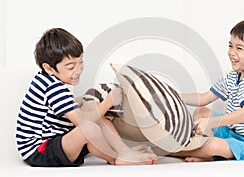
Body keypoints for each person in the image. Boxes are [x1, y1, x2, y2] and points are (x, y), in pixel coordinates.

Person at [15, 28, 157, 167]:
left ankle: (123, 151)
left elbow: (60, 109)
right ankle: (116, 158)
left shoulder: (47, 80)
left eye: (81, 62)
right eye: (71, 67)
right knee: (89, 128)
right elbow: (82, 123)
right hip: (40, 151)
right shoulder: (53, 87)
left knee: (92, 108)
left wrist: (89, 101)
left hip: (57, 140)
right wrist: (107, 103)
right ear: (49, 68)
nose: (78, 70)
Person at [171, 18, 244, 162]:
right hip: (234, 132)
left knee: (213, 145)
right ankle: (209, 154)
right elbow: (204, 98)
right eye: (230, 46)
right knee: (201, 112)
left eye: (239, 48)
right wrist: (173, 95)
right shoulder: (234, 76)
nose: (232, 52)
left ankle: (170, 150)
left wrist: (212, 122)